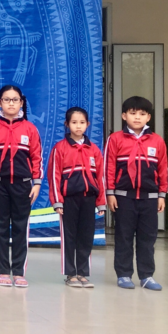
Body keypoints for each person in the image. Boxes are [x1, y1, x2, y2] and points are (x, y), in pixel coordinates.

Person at [0, 85, 42, 289]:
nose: (11, 103)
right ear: (0, 103)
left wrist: (37, 183)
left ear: (21, 103)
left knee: (21, 228)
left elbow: (36, 157)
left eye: (15, 100)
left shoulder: (30, 129)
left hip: (23, 185)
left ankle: (19, 272)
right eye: (7, 100)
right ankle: (3, 271)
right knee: (0, 227)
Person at [104, 95, 168, 291]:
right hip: (123, 197)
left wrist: (162, 194)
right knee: (123, 237)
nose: (137, 117)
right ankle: (123, 274)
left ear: (149, 117)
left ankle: (147, 276)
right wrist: (110, 193)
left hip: (149, 198)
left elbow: (163, 169)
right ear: (124, 116)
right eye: (133, 113)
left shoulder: (157, 141)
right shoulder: (115, 139)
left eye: (142, 113)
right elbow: (109, 167)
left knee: (147, 238)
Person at [48, 106, 105, 288]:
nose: (78, 126)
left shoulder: (94, 149)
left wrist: (101, 202)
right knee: (69, 237)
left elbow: (100, 177)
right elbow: (54, 176)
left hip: (89, 199)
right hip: (68, 200)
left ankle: (82, 273)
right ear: (67, 124)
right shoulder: (60, 148)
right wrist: (58, 201)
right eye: (74, 122)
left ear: (88, 124)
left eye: (82, 122)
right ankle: (70, 274)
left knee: (86, 236)